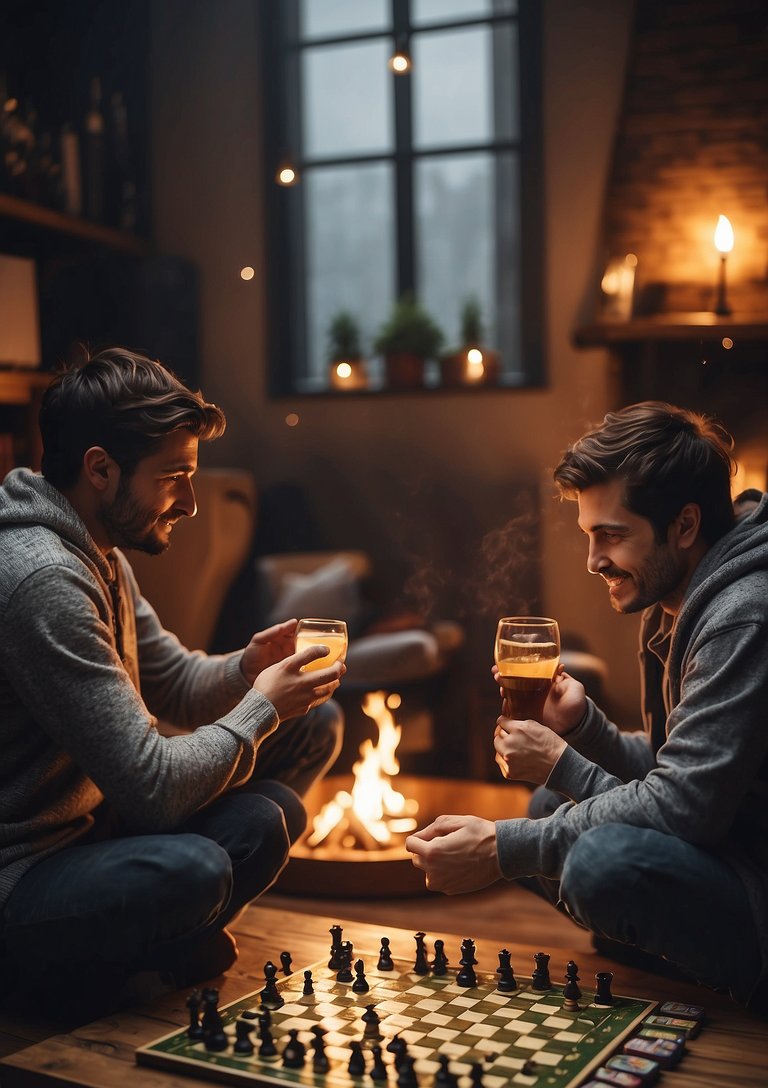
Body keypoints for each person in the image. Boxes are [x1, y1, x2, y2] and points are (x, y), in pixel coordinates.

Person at [0, 348, 344, 1013]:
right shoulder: (44, 579)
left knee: (300, 757)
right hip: (24, 875)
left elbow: (177, 682)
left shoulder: (96, 549)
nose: (189, 500)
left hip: (93, 826)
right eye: (175, 476)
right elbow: (154, 791)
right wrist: (258, 709)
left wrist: (247, 669)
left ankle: (153, 953)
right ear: (100, 469)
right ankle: (75, 974)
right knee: (196, 870)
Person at [407, 402, 768, 1011]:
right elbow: (670, 764)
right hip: (727, 844)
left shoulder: (742, 614)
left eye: (612, 535)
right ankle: (662, 945)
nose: (593, 559)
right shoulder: (673, 600)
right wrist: (583, 728)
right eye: (588, 535)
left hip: (755, 881)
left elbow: (685, 808)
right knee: (549, 807)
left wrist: (501, 846)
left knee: (600, 862)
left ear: (684, 525)